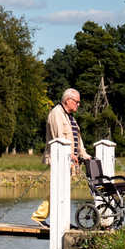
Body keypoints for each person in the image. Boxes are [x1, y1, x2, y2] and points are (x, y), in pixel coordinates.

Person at [31, 88, 89, 227]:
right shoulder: (56, 114)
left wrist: (84, 154)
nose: (78, 105)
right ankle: (39, 216)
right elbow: (59, 138)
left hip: (69, 161)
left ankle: (61, 220)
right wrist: (70, 154)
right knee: (59, 189)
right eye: (76, 102)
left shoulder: (70, 117)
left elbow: (76, 137)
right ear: (68, 100)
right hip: (59, 160)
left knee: (62, 190)